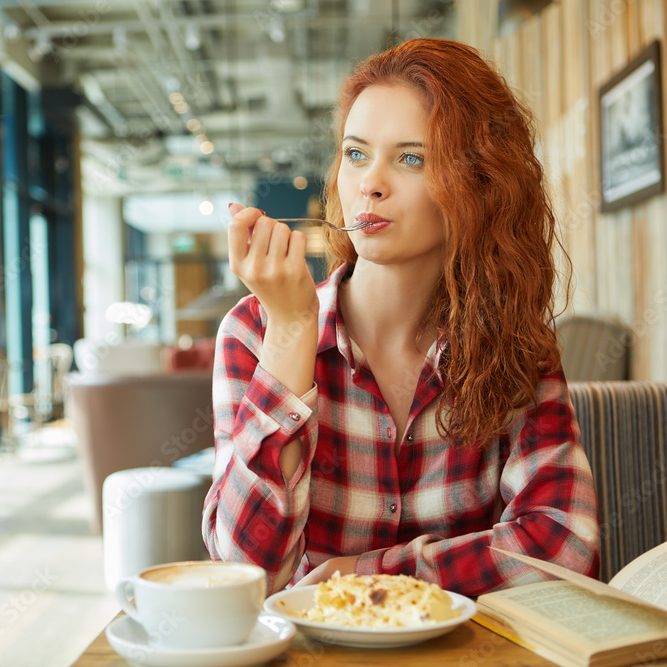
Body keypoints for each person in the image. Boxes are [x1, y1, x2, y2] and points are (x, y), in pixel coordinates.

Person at [202, 38, 599, 596]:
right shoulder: (253, 331)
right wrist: (292, 331)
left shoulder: (515, 345)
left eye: (410, 158)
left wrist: (369, 576)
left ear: (479, 185)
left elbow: (566, 542)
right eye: (356, 153)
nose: (370, 182)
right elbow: (248, 573)